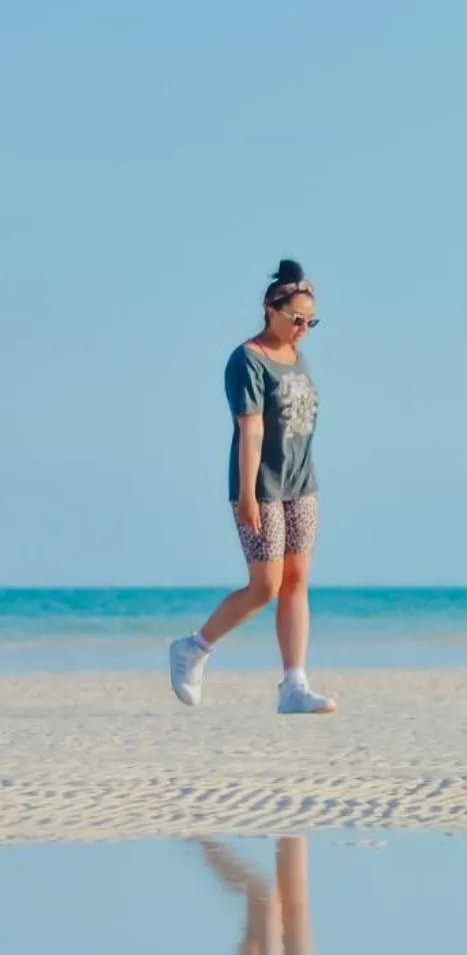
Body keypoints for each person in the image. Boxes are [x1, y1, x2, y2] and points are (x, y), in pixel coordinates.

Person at [169, 258, 335, 714]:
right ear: (270, 309)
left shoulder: (297, 356)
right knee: (265, 586)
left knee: (297, 581)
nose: (303, 328)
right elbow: (252, 430)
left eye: (310, 321)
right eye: (295, 319)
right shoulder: (247, 360)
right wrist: (245, 494)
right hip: (261, 487)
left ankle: (294, 685)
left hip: (302, 484)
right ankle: (193, 649)